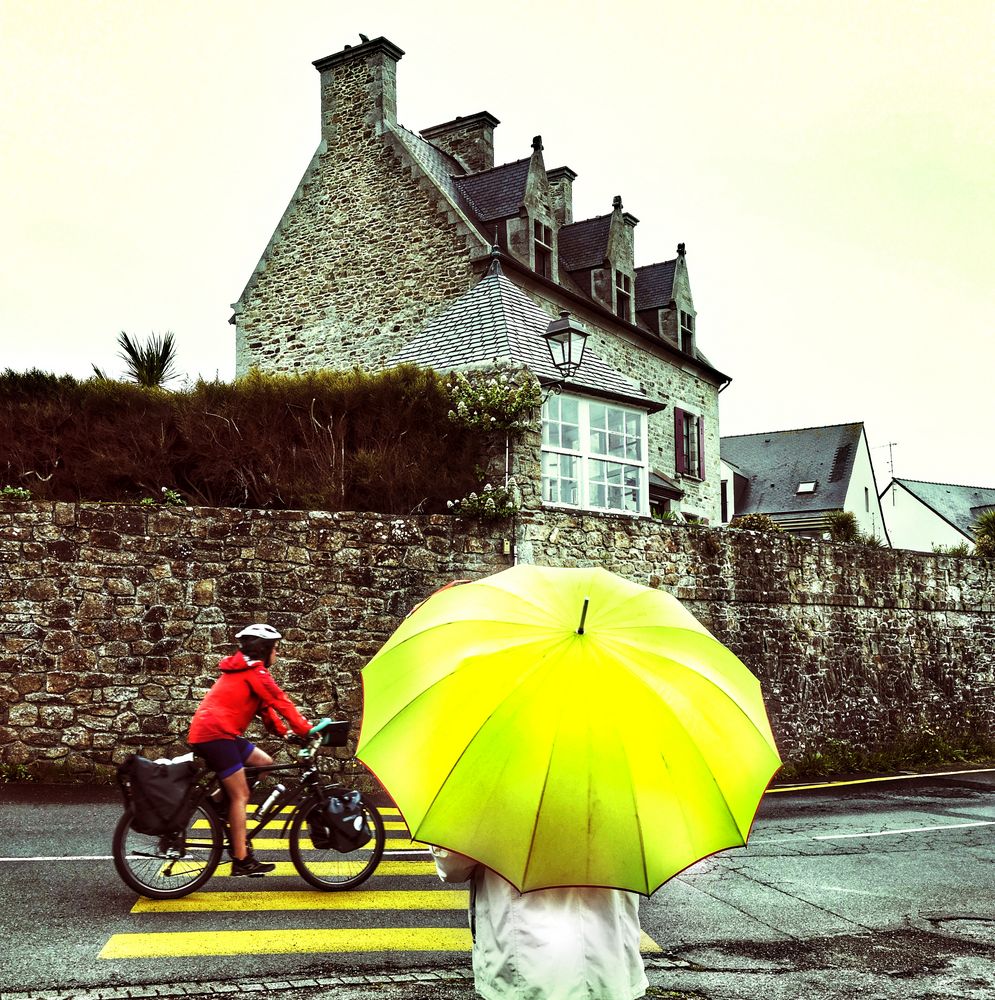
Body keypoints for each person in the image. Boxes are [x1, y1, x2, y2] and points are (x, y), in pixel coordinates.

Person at [432, 846, 648, 1000]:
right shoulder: (629, 786)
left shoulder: (492, 787)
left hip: (523, 963)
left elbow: (453, 867)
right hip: (609, 960)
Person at [188, 623, 312, 877]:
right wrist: (307, 731)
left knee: (263, 763)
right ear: (264, 650)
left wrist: (285, 734)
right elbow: (281, 702)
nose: (277, 654)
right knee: (241, 794)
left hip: (218, 732)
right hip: (216, 735)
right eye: (275, 649)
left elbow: (266, 710)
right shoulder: (256, 672)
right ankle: (241, 859)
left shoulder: (245, 671)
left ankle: (220, 806)